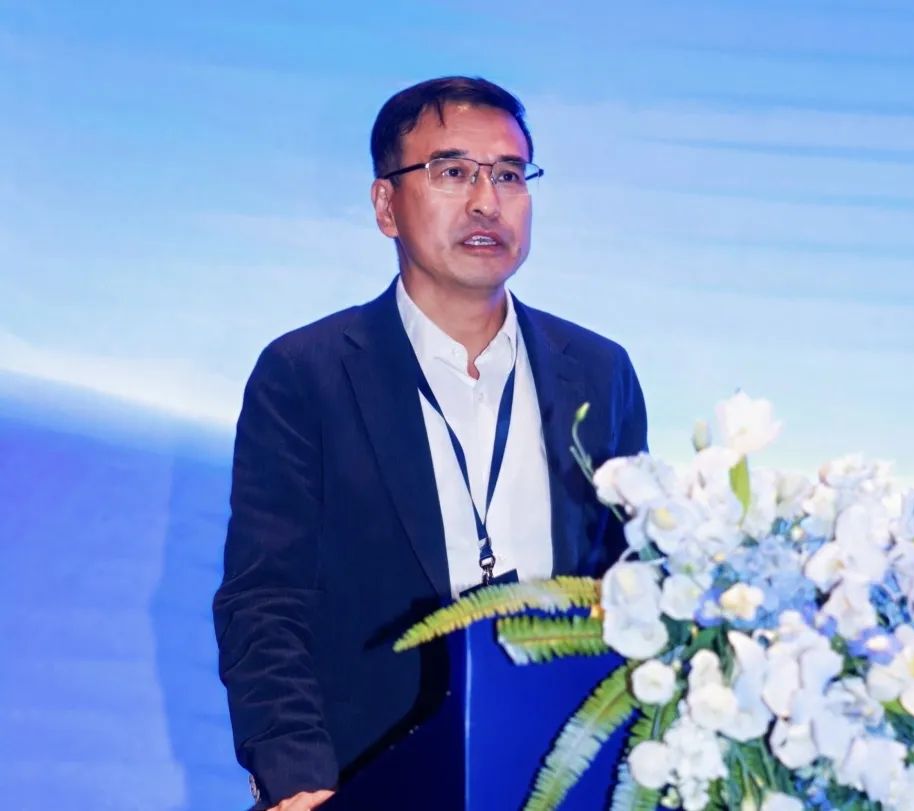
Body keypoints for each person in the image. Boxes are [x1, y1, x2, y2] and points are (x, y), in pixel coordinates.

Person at [212, 76, 648, 811]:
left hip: (553, 776)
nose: (486, 202)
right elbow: (265, 600)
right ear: (386, 204)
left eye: (508, 175)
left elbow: (629, 583)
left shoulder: (599, 372)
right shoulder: (307, 373)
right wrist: (296, 777)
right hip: (363, 778)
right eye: (452, 172)